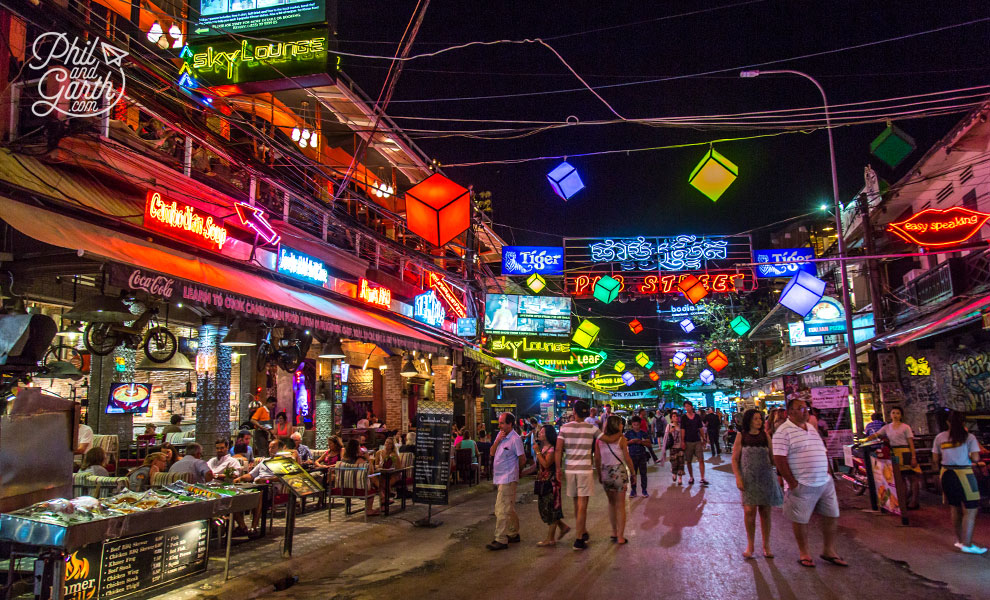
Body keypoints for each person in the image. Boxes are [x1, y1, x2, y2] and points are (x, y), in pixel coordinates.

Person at [773, 398, 845, 568]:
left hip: (823, 482)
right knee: (800, 519)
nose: (805, 411)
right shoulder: (783, 432)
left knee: (831, 515)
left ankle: (829, 550)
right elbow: (779, 459)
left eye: (806, 408)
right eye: (800, 409)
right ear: (789, 412)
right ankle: (804, 552)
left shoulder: (811, 428)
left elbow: (821, 450)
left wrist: (827, 473)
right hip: (802, 483)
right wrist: (792, 482)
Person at [932, 411, 986, 554]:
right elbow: (975, 458)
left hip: (946, 474)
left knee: (955, 507)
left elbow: (935, 459)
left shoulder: (940, 437)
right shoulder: (969, 437)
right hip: (964, 474)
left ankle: (960, 540)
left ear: (948, 422)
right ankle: (967, 544)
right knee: (971, 508)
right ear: (964, 423)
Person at [732, 409, 783, 559]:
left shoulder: (765, 436)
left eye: (760, 419)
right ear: (749, 421)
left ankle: (766, 545)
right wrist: (738, 477)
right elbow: (735, 459)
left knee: (765, 512)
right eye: (755, 419)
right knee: (749, 511)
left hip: (765, 477)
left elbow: (773, 458)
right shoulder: (741, 436)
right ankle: (750, 545)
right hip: (748, 479)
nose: (759, 421)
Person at [555, 400, 601, 550]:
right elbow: (605, 439)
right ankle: (579, 538)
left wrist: (557, 469)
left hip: (570, 470)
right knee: (583, 505)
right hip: (584, 470)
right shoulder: (591, 429)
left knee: (576, 503)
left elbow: (558, 450)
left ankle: (583, 531)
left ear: (574, 412)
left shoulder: (564, 428)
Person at [866, 406, 921, 509]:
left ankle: (914, 501)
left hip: (905, 452)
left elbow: (910, 443)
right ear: (890, 415)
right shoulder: (887, 427)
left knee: (912, 478)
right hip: (894, 453)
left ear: (901, 415)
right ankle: (903, 501)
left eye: (898, 413)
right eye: (893, 413)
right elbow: (877, 434)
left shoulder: (905, 427)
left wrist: (913, 457)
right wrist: (865, 440)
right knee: (900, 479)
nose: (895, 415)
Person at [486, 412, 526, 551]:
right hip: (500, 477)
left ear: (510, 424)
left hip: (508, 478)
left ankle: (501, 538)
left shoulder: (515, 439)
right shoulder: (500, 435)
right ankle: (513, 532)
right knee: (508, 507)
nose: (500, 425)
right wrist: (497, 441)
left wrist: (517, 472)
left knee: (501, 509)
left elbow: (522, 459)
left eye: (502, 423)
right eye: (499, 422)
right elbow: (491, 452)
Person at [597, 415, 635, 545]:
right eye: (620, 423)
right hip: (619, 472)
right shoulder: (621, 439)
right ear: (616, 425)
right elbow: (627, 458)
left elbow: (597, 459)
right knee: (620, 506)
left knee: (611, 504)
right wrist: (633, 473)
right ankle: (620, 537)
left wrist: (599, 474)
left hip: (605, 472)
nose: (622, 426)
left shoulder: (600, 440)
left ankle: (613, 532)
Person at [529, 424, 569, 546]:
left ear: (548, 435)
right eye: (539, 432)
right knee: (545, 509)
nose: (539, 434)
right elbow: (537, 466)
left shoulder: (552, 449)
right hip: (542, 482)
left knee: (551, 509)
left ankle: (550, 539)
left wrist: (536, 451)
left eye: (542, 432)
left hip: (551, 483)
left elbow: (546, 464)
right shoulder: (543, 448)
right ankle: (563, 527)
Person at [681, 401, 709, 485]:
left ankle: (702, 477)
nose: (687, 408)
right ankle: (691, 477)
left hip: (697, 440)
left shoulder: (697, 417)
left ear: (691, 407)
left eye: (688, 406)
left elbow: (700, 428)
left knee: (701, 459)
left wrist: (703, 438)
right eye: (685, 407)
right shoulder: (684, 417)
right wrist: (682, 441)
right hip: (688, 441)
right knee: (689, 461)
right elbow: (683, 430)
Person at [624, 416, 651, 497]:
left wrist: (641, 442)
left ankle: (644, 490)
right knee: (633, 473)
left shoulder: (643, 433)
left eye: (637, 425)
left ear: (640, 424)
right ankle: (633, 490)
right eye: (634, 424)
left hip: (642, 456)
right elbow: (623, 443)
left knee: (643, 474)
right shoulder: (628, 433)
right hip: (632, 456)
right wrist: (631, 442)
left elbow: (649, 443)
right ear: (632, 425)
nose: (636, 426)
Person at [661, 412, 686, 485]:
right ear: (671, 418)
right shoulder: (669, 426)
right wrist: (669, 432)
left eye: (677, 416)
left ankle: (680, 478)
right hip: (672, 447)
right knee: (674, 462)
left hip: (680, 447)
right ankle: (674, 474)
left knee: (681, 462)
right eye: (674, 416)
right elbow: (665, 437)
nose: (676, 418)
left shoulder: (680, 426)